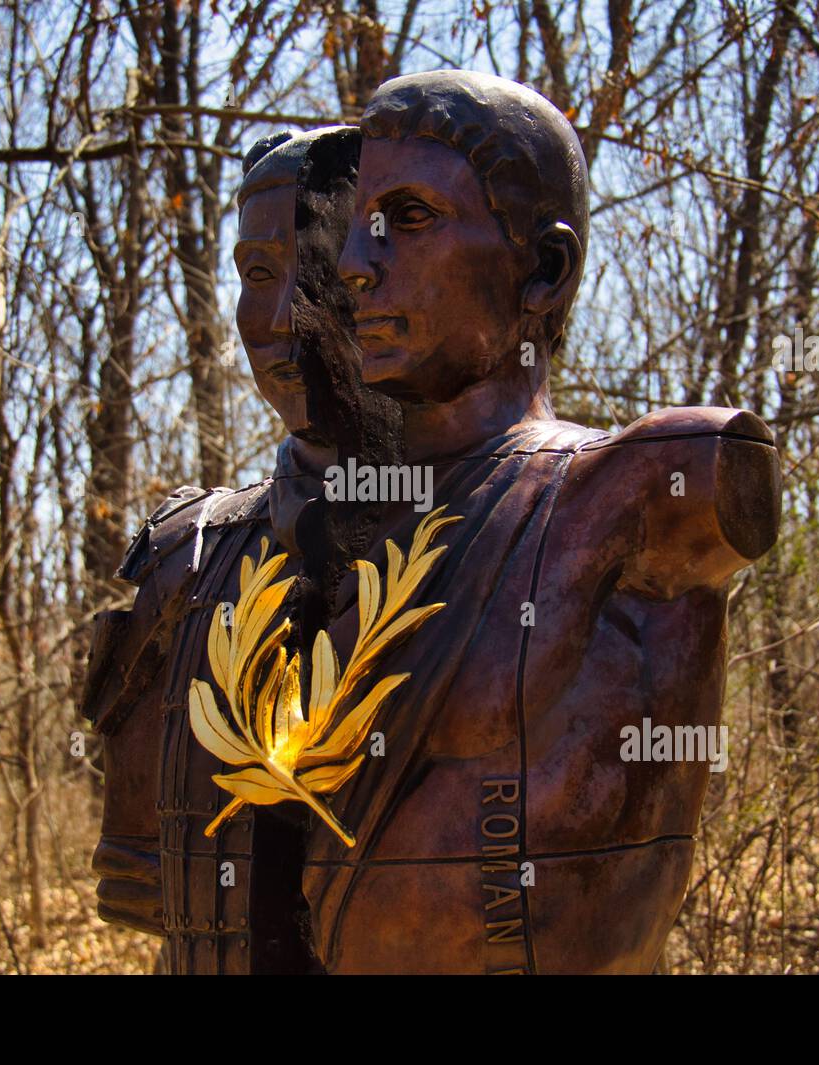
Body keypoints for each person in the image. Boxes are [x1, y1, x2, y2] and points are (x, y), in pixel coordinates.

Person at [287, 70, 783, 973]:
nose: (355, 261)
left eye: (410, 216)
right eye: (360, 220)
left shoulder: (644, 491)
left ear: (544, 271)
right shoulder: (333, 524)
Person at [80, 125, 399, 973]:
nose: (285, 316)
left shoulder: (505, 539)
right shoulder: (184, 559)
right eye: (258, 275)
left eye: (321, 266)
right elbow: (155, 895)